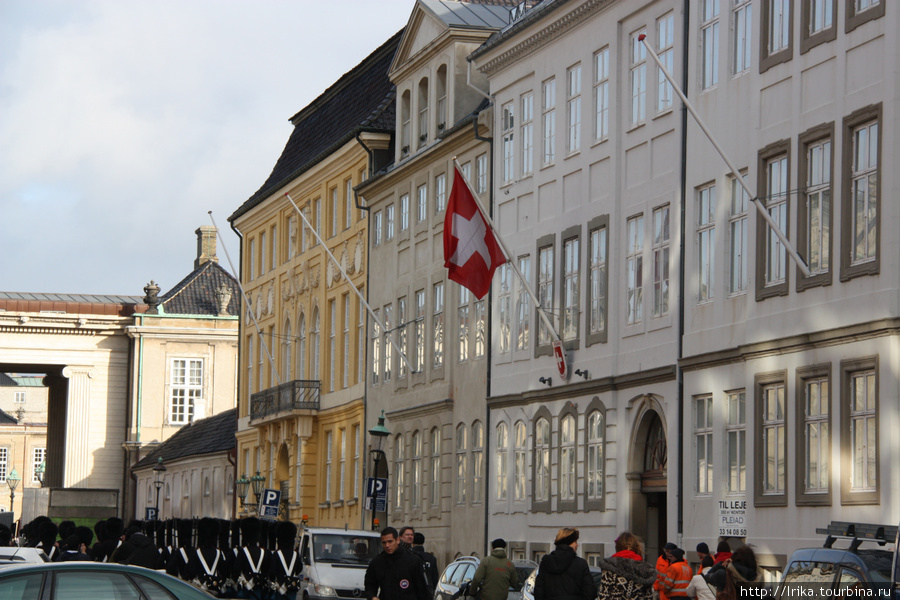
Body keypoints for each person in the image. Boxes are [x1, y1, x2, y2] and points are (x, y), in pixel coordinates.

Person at [364, 527, 430, 600]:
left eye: (390, 541)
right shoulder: (377, 562)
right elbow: (369, 585)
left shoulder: (413, 561)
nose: (387, 545)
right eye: (384, 542)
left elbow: (423, 590)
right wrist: (373, 597)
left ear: (398, 540)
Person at [533, 527, 595, 600]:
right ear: (569, 543)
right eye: (575, 542)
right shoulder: (580, 563)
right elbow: (590, 591)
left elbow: (539, 591)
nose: (577, 545)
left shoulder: (546, 562)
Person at [595, 531, 656, 600]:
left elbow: (604, 596)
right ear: (636, 547)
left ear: (618, 547)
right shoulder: (645, 570)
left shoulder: (610, 568)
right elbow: (649, 597)